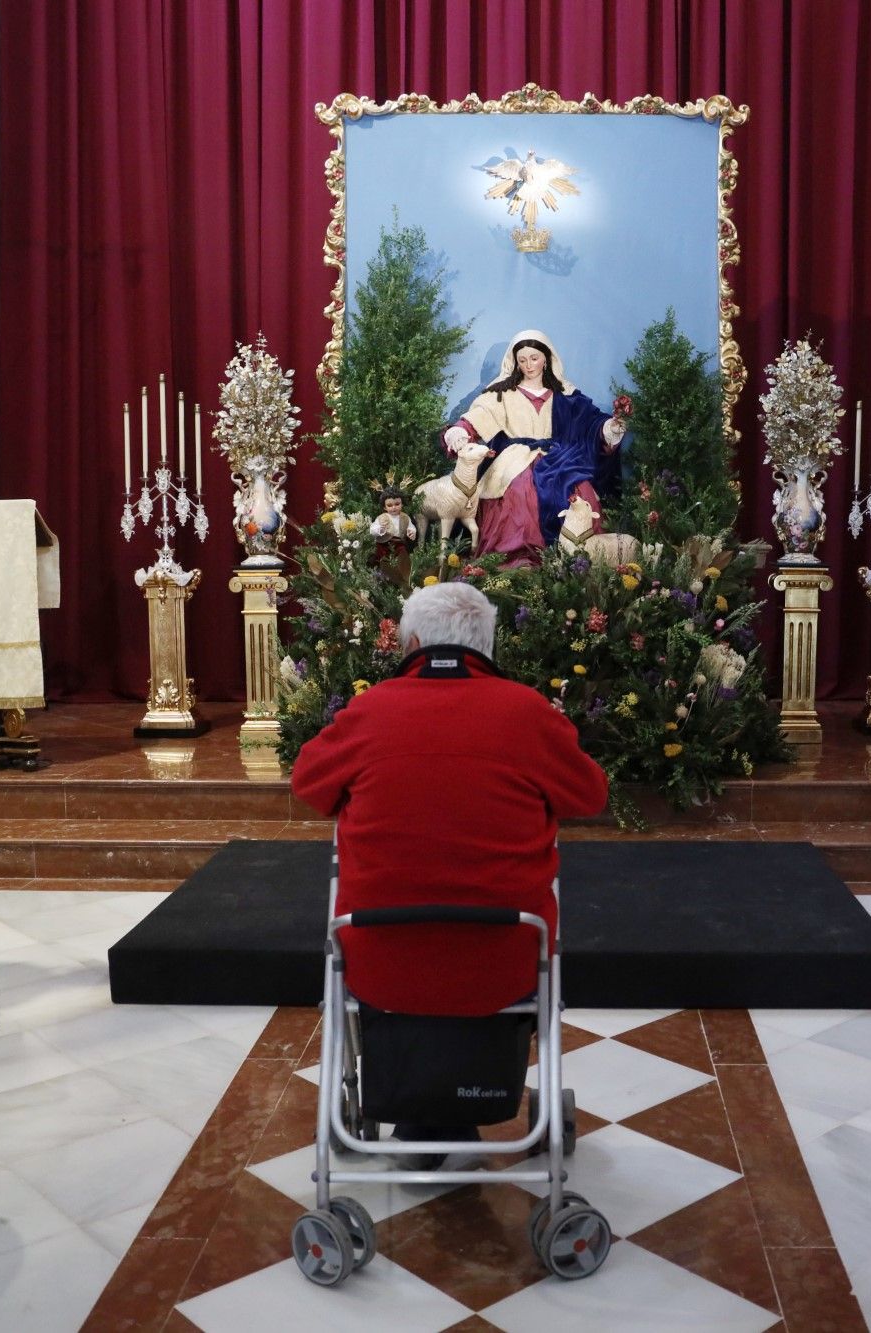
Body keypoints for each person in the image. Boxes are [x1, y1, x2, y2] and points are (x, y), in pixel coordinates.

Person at [291, 581, 608, 1158]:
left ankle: (414, 1108)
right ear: (487, 647)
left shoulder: (370, 712)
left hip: (382, 963)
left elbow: (309, 787)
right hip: (504, 963)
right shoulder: (526, 713)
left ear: (410, 641)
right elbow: (589, 794)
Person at [441, 331, 627, 558]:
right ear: (515, 362)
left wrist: (609, 428)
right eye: (522, 360)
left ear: (546, 359)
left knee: (580, 492)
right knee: (520, 494)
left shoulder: (565, 394)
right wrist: (460, 431)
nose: (529, 365)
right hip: (514, 461)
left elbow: (590, 420)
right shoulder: (502, 393)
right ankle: (520, 558)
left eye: (534, 358)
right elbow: (480, 415)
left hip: (559, 458)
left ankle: (576, 558)